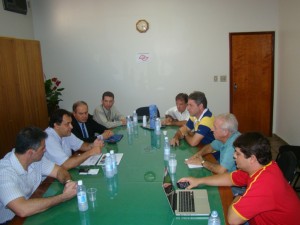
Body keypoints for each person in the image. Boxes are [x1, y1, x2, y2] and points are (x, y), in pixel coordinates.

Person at [178, 132, 300, 225]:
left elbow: (233, 220)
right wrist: (198, 181)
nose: (233, 156)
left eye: (237, 153)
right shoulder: (261, 166)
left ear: (252, 158)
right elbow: (229, 178)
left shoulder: (264, 184)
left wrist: (239, 197)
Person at [0, 127, 77, 224]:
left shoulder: (35, 159)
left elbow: (59, 171)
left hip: (34, 211)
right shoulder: (4, 173)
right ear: (30, 152)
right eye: (42, 148)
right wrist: (63, 197)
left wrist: (68, 183)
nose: (45, 150)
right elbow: (22, 209)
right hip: (12, 221)